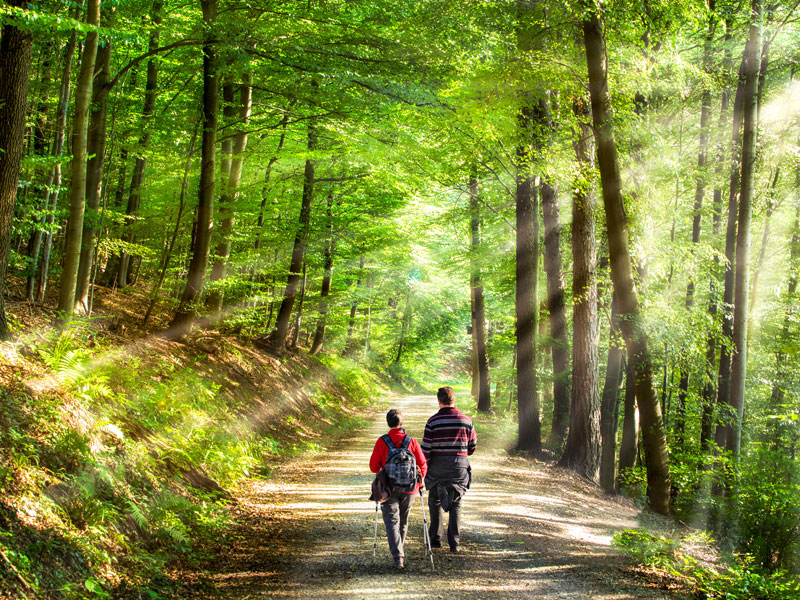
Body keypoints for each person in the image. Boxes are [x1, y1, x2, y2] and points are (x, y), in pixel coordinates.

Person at [369, 408, 427, 569]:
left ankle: (398, 557)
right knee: (403, 521)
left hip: (388, 489)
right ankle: (399, 551)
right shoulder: (412, 442)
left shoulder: (382, 441)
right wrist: (420, 482)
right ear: (402, 422)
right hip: (410, 488)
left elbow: (373, 467)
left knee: (391, 522)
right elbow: (422, 464)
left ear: (388, 423)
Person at [421, 386, 476, 553]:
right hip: (458, 466)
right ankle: (454, 543)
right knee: (456, 503)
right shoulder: (466, 421)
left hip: (437, 467)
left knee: (435, 501)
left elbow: (425, 450)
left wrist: (425, 469)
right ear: (454, 400)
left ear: (439, 401)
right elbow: (472, 447)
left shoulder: (432, 421)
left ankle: (436, 540)